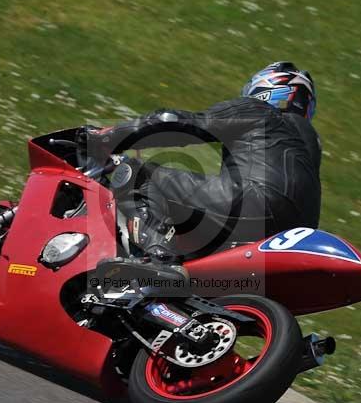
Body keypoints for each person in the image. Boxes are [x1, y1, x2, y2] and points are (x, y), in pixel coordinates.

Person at [83, 61, 321, 263]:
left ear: (266, 88)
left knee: (137, 175)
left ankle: (152, 260)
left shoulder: (258, 109)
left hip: (253, 202)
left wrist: (107, 137)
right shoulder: (311, 144)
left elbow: (178, 123)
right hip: (294, 235)